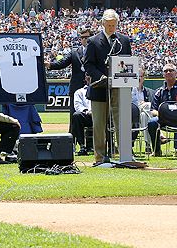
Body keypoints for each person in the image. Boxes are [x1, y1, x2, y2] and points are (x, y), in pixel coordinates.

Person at [83, 9, 132, 164]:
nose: (111, 27)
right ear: (103, 23)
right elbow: (88, 64)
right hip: (99, 88)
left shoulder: (124, 40)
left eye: (114, 25)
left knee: (122, 121)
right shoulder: (93, 41)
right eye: (109, 25)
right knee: (99, 124)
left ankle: (125, 155)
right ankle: (100, 157)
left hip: (119, 88)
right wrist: (100, 77)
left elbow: (128, 61)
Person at [47, 27, 92, 131]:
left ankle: (91, 143)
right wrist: (49, 65)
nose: (84, 40)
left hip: (93, 88)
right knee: (74, 116)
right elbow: (62, 63)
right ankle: (72, 141)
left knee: (94, 115)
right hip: (76, 88)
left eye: (87, 37)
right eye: (82, 38)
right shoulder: (74, 52)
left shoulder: (96, 51)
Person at [147, 63, 177, 157]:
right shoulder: (159, 91)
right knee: (152, 122)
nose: (168, 72)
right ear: (163, 74)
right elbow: (153, 110)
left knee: (176, 117)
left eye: (171, 70)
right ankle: (156, 150)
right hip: (163, 119)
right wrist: (163, 114)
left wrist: (172, 114)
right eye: (166, 71)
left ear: (176, 73)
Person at [72, 79, 92, 156]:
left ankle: (110, 147)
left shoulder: (103, 90)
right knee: (76, 116)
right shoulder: (79, 92)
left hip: (101, 114)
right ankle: (82, 146)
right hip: (87, 116)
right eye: (87, 75)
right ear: (85, 78)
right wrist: (87, 111)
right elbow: (78, 105)